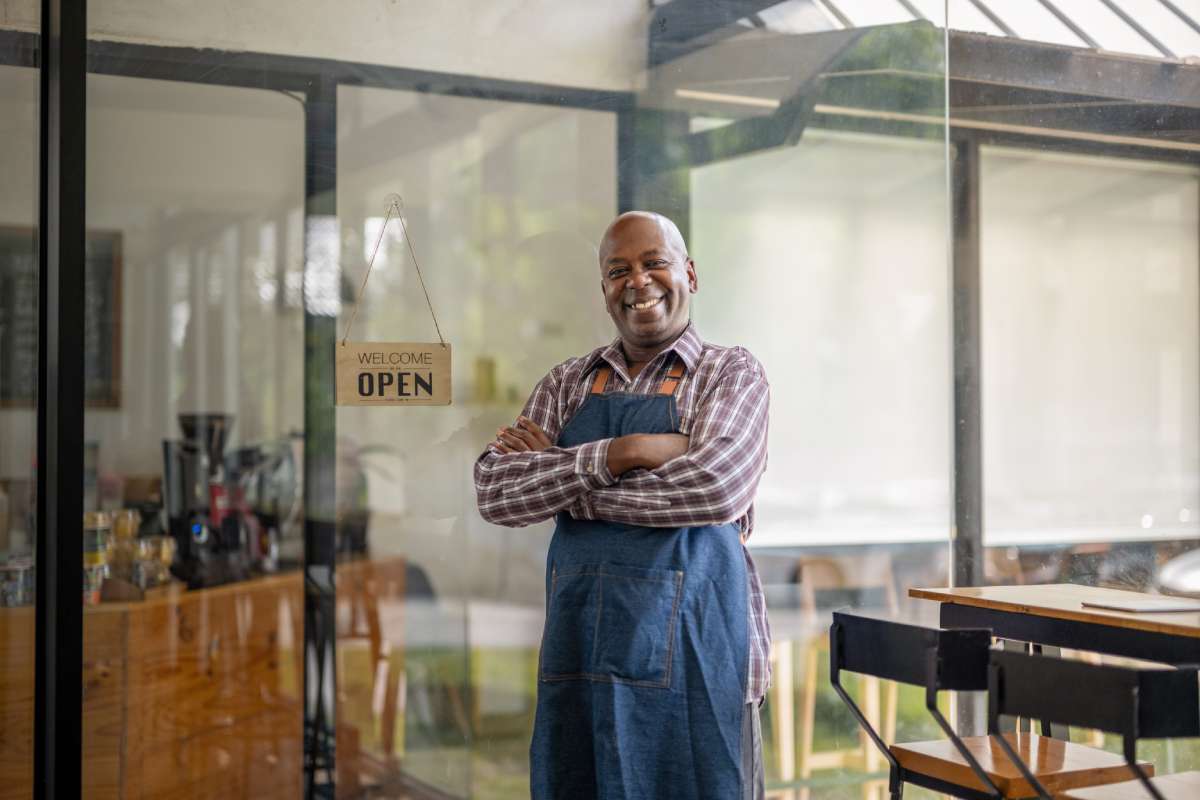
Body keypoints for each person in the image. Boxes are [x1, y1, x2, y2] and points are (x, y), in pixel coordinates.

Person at [474, 211, 771, 799]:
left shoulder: (729, 374)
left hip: (702, 666)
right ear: (604, 290)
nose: (638, 281)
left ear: (688, 271)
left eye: (654, 262)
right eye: (618, 270)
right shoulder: (567, 382)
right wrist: (626, 451)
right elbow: (496, 493)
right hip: (580, 658)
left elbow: (714, 488)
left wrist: (566, 484)